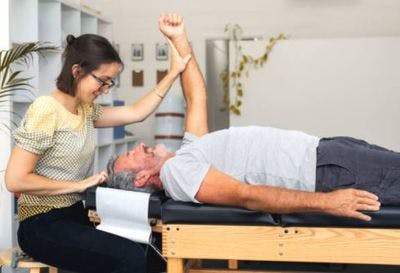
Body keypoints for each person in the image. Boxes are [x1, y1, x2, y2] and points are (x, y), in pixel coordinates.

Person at [107, 13, 400, 223]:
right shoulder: (176, 174)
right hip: (325, 172)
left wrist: (180, 40)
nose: (136, 148)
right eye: (130, 156)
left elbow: (196, 97)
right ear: (142, 178)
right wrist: (328, 202)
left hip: (326, 152)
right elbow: (247, 196)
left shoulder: (187, 156)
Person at [5, 23, 191, 273]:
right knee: (129, 258)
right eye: (102, 81)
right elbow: (15, 180)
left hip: (74, 215)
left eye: (110, 83)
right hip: (41, 224)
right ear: (77, 71)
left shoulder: (84, 109)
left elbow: (136, 112)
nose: (105, 90)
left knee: (152, 255)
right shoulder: (46, 109)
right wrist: (77, 185)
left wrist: (173, 72)